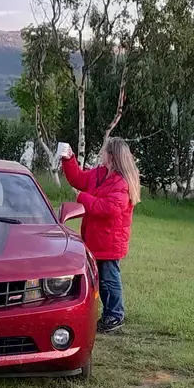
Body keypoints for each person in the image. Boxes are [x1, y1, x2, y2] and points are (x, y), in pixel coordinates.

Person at [58, 136, 140, 333]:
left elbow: (109, 208)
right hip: (96, 239)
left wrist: (83, 197)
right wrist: (69, 159)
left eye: (104, 150)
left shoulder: (122, 182)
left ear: (111, 156)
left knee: (109, 280)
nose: (101, 153)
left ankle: (115, 315)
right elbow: (77, 178)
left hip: (110, 242)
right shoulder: (99, 174)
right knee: (101, 280)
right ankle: (107, 314)